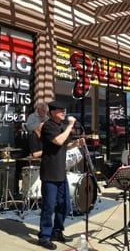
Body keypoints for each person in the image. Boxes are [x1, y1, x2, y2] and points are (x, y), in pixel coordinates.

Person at [38, 101, 84, 250]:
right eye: (60, 110)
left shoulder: (62, 126)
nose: (63, 113)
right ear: (52, 112)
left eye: (64, 110)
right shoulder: (49, 126)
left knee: (64, 205)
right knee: (49, 206)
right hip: (50, 172)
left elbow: (65, 144)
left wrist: (76, 144)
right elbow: (58, 141)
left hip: (60, 172)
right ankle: (44, 236)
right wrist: (70, 126)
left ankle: (57, 231)